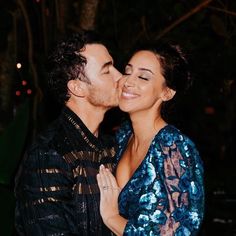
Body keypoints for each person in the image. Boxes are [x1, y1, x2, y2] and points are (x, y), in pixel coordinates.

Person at [15, 30, 122, 235]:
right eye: (107, 71)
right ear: (77, 88)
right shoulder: (48, 156)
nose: (119, 77)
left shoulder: (112, 145)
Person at [97, 42, 205, 235]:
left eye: (143, 77)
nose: (128, 81)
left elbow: (176, 231)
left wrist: (112, 219)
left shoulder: (174, 147)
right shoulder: (123, 136)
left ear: (167, 92)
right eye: (127, 71)